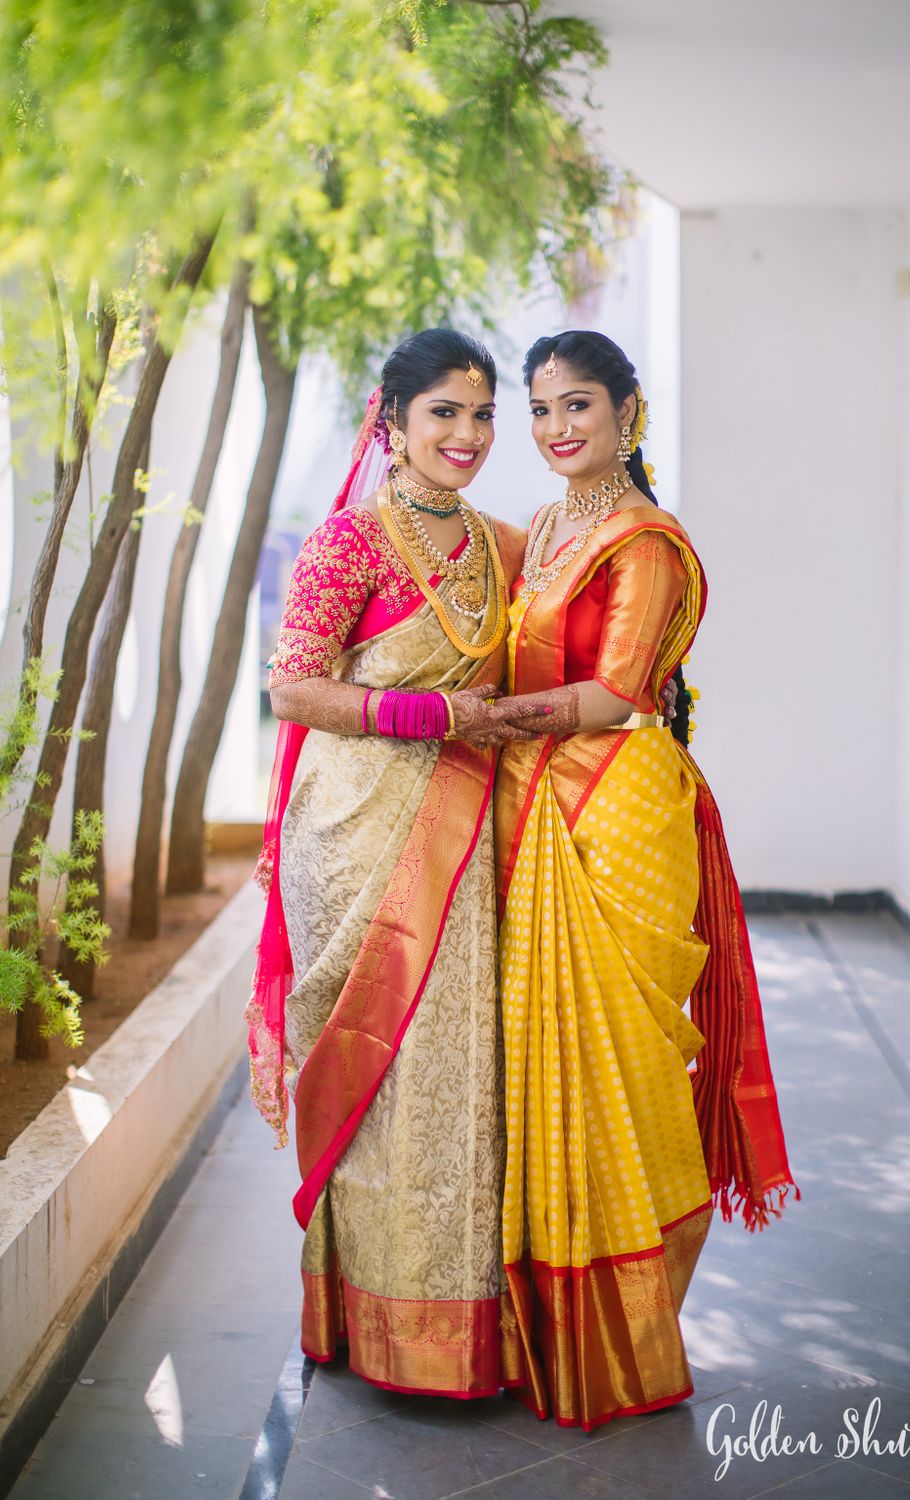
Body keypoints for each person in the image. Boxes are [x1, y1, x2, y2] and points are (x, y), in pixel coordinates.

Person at [492, 330, 797, 1431]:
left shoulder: (643, 541)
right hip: (530, 799)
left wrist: (467, 723)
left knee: (622, 1058)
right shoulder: (543, 530)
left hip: (613, 802)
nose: (555, 427)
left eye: (577, 404)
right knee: (544, 1063)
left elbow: (615, 694)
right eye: (538, 409)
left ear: (629, 412)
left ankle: (627, 1332)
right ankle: (543, 1329)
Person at [245, 329, 538, 1398]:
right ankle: (371, 1327)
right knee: (380, 1074)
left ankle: (463, 1322)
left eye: (481, 414)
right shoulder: (348, 544)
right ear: (395, 424)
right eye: (444, 414)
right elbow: (293, 689)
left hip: (467, 834)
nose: (466, 435)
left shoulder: (508, 545)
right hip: (359, 831)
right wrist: (430, 711)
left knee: (462, 1076)